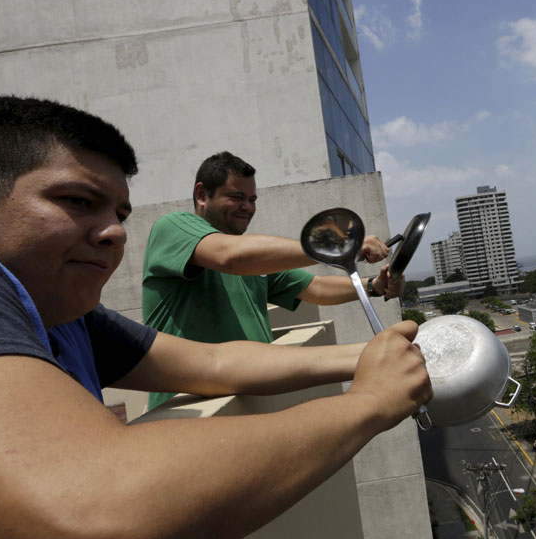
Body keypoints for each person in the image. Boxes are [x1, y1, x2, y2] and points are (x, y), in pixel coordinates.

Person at [0, 96, 431, 539]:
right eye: (77, 200)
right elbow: (90, 519)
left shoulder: (63, 316)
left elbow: (216, 362)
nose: (113, 232)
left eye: (118, 214)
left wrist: (380, 360)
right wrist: (368, 404)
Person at [142, 151, 405, 409]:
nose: (248, 207)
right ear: (202, 195)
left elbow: (316, 288)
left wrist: (373, 286)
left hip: (249, 403)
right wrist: (339, 243)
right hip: (188, 413)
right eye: (236, 197)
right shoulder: (173, 227)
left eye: (252, 199)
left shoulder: (253, 258)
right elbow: (228, 257)